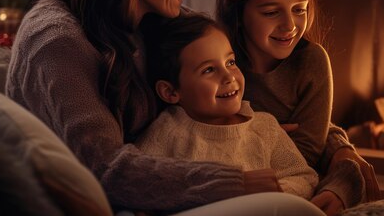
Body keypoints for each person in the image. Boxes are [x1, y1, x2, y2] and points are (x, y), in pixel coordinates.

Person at [6, 0, 326, 216]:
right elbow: (106, 169)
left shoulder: (157, 19)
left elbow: (238, 89)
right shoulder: (56, 42)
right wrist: (235, 183)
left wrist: (339, 150)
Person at [215, 0, 381, 216]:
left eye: (299, 9)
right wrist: (270, 130)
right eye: (271, 12)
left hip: (293, 188)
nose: (290, 25)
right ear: (238, 12)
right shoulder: (214, 60)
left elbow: (305, 155)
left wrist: (243, 129)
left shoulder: (312, 62)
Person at [136, 13, 318, 200]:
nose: (229, 77)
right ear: (170, 92)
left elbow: (303, 177)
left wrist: (275, 193)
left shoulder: (266, 128)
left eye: (230, 62)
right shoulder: (167, 130)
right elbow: (140, 182)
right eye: (209, 70)